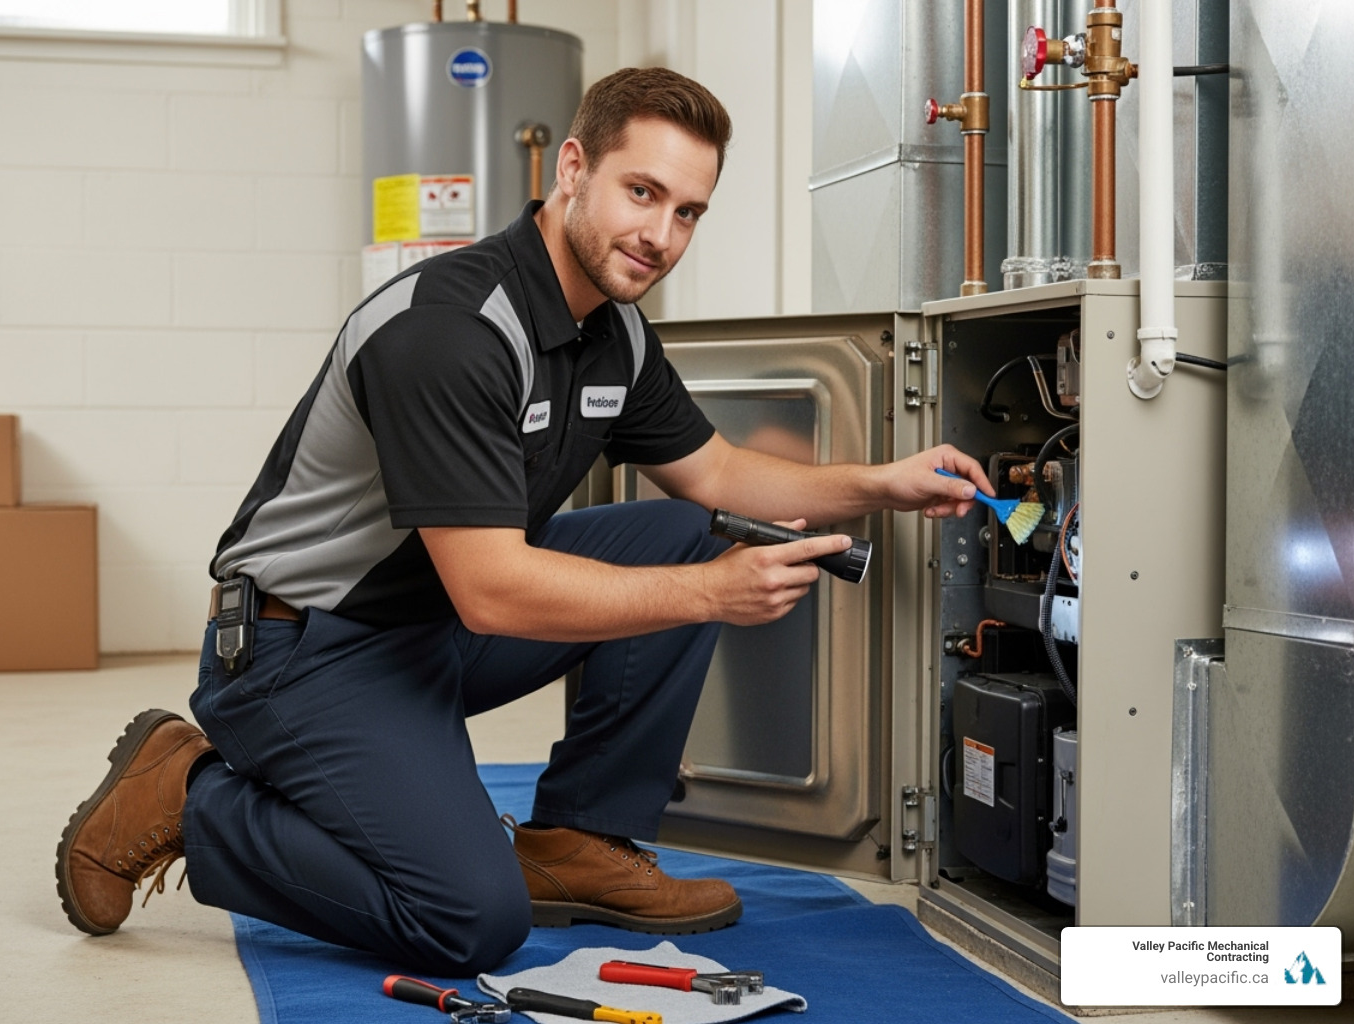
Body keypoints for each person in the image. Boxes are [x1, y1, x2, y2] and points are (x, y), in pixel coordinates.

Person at [54, 66, 993, 976]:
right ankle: (189, 791)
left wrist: (887, 482)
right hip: (296, 650)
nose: (661, 234)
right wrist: (711, 595)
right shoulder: (450, 330)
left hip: (423, 629)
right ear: (572, 169)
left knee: (687, 526)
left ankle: (579, 838)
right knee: (468, 918)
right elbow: (494, 589)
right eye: (643, 192)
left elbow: (718, 473)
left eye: (688, 212)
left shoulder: (613, 332)